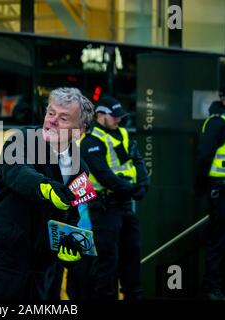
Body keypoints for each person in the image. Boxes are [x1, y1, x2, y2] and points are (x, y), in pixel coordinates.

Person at [0, 87, 94, 299]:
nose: (52, 120)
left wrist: (69, 244)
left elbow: (73, 216)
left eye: (63, 118)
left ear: (79, 131)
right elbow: (18, 172)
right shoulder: (22, 139)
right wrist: (45, 188)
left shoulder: (81, 168)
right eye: (50, 113)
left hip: (36, 274)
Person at [76, 96, 149, 300]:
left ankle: (133, 295)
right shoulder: (91, 142)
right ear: (100, 115)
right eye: (114, 116)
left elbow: (138, 161)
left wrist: (143, 184)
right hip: (105, 207)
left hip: (125, 204)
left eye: (120, 116)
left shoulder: (124, 135)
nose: (118, 120)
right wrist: (133, 190)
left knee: (132, 254)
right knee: (107, 259)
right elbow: (104, 175)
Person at [195, 85, 225, 300]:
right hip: (221, 188)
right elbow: (204, 156)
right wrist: (201, 187)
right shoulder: (216, 122)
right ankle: (212, 286)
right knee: (219, 239)